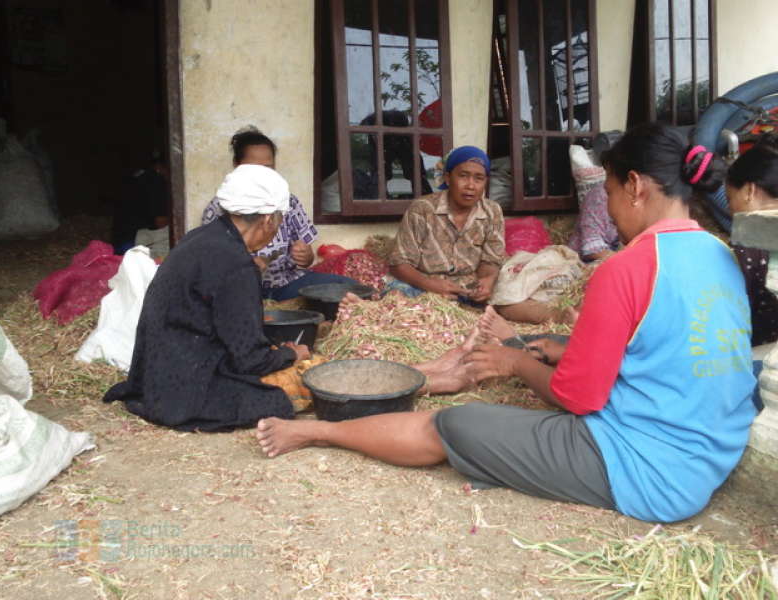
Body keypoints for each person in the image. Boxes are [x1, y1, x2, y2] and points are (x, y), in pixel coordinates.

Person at [254, 123, 758, 524]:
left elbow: (579, 398)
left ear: (634, 185)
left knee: (455, 423)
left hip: (648, 472)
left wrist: (513, 361)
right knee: (543, 346)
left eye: (606, 191)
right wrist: (553, 344)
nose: (606, 206)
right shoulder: (720, 254)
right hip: (712, 454)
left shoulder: (626, 267)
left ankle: (319, 433)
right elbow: (669, 344)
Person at [104, 165, 311, 431]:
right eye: (279, 221)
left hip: (155, 372)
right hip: (185, 384)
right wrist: (290, 354)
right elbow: (250, 360)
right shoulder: (236, 265)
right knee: (276, 402)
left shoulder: (199, 238)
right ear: (268, 220)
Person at [202, 127, 355, 301]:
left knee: (349, 289)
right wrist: (244, 270)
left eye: (268, 168)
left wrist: (305, 256)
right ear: (237, 167)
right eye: (254, 168)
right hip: (240, 292)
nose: (262, 175)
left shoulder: (286, 201)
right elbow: (211, 269)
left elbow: (308, 258)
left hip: (287, 284)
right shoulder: (220, 208)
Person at [387, 145, 505, 303]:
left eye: (479, 178)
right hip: (424, 287)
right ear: (448, 178)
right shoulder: (423, 209)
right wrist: (430, 285)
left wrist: (487, 281)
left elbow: (491, 261)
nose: (470, 185)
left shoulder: (492, 211)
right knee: (396, 296)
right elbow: (398, 264)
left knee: (511, 297)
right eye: (463, 176)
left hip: (468, 289)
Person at [726, 133, 778, 347]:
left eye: (730, 198)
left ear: (750, 190)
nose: (730, 210)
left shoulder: (751, 237)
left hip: (763, 354)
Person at [111, 154, 170, 255]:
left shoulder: (134, 177)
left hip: (118, 240)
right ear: (159, 168)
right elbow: (160, 222)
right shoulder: (157, 182)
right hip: (133, 244)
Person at [568, 183, 620, 262]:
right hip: (583, 263)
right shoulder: (600, 195)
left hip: (615, 257)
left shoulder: (639, 201)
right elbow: (592, 249)